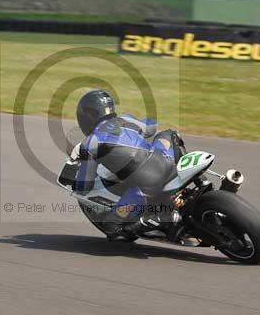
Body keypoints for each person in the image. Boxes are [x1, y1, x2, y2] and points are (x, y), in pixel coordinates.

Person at [71, 89, 185, 240]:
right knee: (168, 134)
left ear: (89, 115)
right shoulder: (126, 120)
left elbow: (84, 185)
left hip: (147, 186)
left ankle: (151, 221)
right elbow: (152, 125)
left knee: (111, 226)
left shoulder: (90, 143)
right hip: (168, 162)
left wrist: (75, 183)